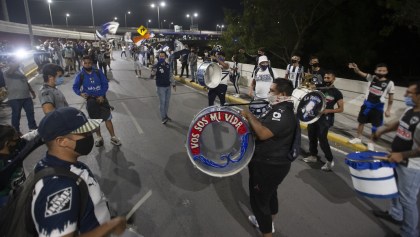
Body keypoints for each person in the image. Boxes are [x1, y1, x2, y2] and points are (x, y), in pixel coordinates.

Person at [31, 107, 127, 236]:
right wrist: (110, 226)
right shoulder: (59, 186)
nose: (90, 135)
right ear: (62, 141)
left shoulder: (68, 166)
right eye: (85, 134)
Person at [241, 79, 297, 237]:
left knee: (259, 203)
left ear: (282, 94)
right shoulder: (280, 108)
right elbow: (267, 126)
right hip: (275, 164)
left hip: (269, 165)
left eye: (272, 91)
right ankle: (268, 223)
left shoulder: (281, 112)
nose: (268, 93)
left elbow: (264, 133)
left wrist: (249, 114)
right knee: (270, 195)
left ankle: (266, 230)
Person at [371, 81, 420, 237]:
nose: (405, 95)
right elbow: (400, 124)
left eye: (409, 93)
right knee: (394, 190)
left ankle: (409, 233)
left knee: (408, 201)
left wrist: (401, 155)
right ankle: (395, 214)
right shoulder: (410, 110)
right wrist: (382, 131)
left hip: (411, 165)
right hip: (396, 158)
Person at [72, 55, 121, 147]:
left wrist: (102, 95)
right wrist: (80, 93)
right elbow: (75, 87)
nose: (87, 65)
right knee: (95, 120)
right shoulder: (80, 75)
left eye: (89, 63)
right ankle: (99, 138)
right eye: (85, 63)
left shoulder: (98, 72)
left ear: (92, 63)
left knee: (108, 118)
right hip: (91, 101)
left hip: (102, 99)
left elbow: (105, 84)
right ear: (82, 63)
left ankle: (113, 137)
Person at [302, 71, 344, 171]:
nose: (326, 80)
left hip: (325, 119)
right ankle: (313, 156)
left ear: (334, 79)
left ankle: (330, 160)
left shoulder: (336, 92)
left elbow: (341, 109)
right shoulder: (318, 88)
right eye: (325, 78)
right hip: (313, 117)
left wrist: (328, 110)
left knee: (322, 140)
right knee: (312, 137)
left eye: (328, 78)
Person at [348, 62, 394, 150]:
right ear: (375, 71)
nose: (381, 72)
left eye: (383, 71)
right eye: (379, 70)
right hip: (367, 105)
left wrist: (388, 110)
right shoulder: (371, 78)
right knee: (361, 122)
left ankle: (371, 142)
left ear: (387, 71)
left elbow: (391, 99)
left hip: (378, 107)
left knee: (375, 126)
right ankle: (358, 138)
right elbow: (359, 72)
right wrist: (355, 68)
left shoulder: (390, 83)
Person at [0, 125, 41, 207]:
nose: (19, 139)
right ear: (7, 143)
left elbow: (31, 138)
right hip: (7, 201)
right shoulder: (2, 163)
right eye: (15, 138)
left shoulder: (16, 148)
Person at [3, 57, 37, 135]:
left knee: (30, 113)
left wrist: (31, 91)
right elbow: (11, 71)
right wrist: (16, 63)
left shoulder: (20, 71)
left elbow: (26, 81)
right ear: (9, 63)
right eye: (13, 61)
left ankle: (33, 128)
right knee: (16, 115)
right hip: (15, 98)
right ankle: (15, 132)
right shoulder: (6, 72)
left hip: (26, 96)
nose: (16, 63)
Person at [151, 51, 176, 124]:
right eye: (160, 56)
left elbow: (170, 75)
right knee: (162, 103)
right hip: (160, 87)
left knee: (167, 103)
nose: (161, 57)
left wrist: (173, 84)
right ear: (158, 57)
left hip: (168, 86)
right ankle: (163, 118)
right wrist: (154, 69)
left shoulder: (168, 65)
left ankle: (165, 115)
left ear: (165, 57)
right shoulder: (156, 65)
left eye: (163, 56)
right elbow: (152, 76)